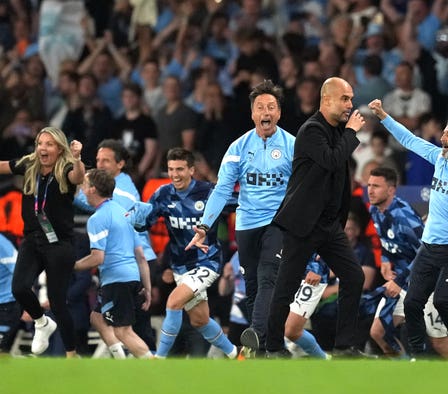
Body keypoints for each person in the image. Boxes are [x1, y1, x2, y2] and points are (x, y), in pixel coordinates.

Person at [368, 99, 448, 360]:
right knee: (413, 302)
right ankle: (415, 355)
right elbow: (409, 140)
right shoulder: (439, 159)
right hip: (430, 246)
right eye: (444, 132)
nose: (443, 137)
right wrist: (383, 116)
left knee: (443, 300)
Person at [185, 80, 295, 355]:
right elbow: (222, 189)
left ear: (279, 113)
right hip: (246, 224)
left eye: (271, 107)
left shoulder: (294, 146)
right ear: (253, 114)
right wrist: (203, 226)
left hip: (279, 223)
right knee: (254, 287)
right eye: (260, 107)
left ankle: (256, 333)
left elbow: (304, 189)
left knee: (269, 275)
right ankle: (268, 348)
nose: (266, 112)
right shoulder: (237, 148)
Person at [264, 77, 367, 358]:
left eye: (350, 98)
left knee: (354, 276)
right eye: (344, 98)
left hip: (328, 225)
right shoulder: (311, 130)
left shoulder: (336, 131)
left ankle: (345, 346)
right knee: (286, 286)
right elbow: (332, 160)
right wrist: (352, 132)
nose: (350, 104)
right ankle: (272, 348)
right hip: (302, 224)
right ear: (326, 100)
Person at [132, 148, 237, 359]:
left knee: (173, 302)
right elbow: (144, 225)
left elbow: (243, 203)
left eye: (180, 169)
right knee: (200, 320)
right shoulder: (163, 194)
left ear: (191, 170)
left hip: (207, 262)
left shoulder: (209, 192)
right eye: (171, 169)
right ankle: (236, 354)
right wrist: (136, 217)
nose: (175, 174)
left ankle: (159, 359)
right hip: (180, 265)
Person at [0, 127, 85, 357]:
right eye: (40, 143)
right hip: (32, 240)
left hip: (59, 244)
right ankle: (42, 323)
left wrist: (77, 159)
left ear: (59, 149)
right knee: (18, 288)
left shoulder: (67, 168)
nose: (42, 148)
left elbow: (78, 177)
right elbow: (3, 166)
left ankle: (71, 355)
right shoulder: (29, 165)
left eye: (48, 144)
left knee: (58, 303)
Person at [74, 139, 157, 357]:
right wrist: (146, 287)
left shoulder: (111, 206)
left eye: (105, 160)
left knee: (126, 330)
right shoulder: (121, 211)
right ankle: (122, 362)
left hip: (120, 275)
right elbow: (138, 252)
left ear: (120, 164)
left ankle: (155, 368)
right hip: (134, 269)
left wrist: (71, 266)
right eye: (98, 160)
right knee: (98, 318)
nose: (100, 164)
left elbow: (97, 257)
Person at [367, 167, 448, 359]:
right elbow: (385, 241)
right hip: (404, 282)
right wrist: (384, 260)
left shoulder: (404, 217)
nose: (370, 190)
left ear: (391, 190)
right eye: (369, 185)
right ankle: (407, 374)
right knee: (378, 332)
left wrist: (399, 280)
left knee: (439, 342)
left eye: (376, 186)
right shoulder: (374, 210)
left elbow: (426, 253)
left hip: (426, 282)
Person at [0, 233, 19, 354]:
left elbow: (19, 272)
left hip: (6, 306)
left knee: (2, 352)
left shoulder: (2, 244)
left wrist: (28, 303)